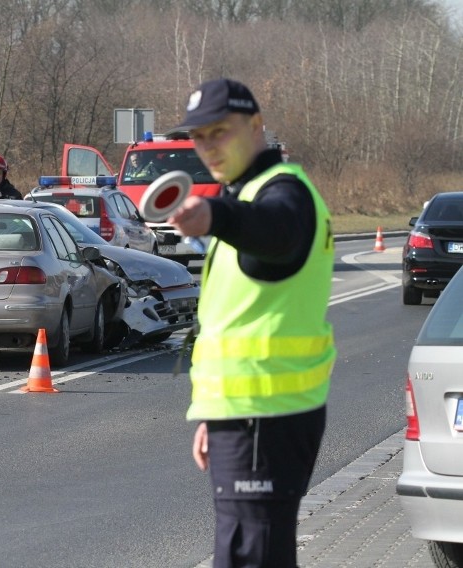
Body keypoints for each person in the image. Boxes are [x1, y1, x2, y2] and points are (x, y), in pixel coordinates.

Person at [166, 78, 336, 568]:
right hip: (246, 415)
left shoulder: (283, 195)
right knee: (247, 551)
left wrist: (216, 215)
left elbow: (276, 233)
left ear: (257, 126)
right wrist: (214, 414)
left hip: (267, 415)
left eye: (220, 131)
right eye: (198, 137)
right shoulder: (253, 192)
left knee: (250, 555)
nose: (207, 146)